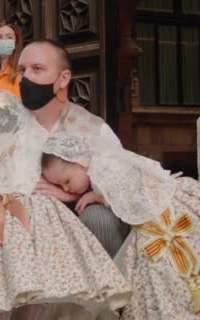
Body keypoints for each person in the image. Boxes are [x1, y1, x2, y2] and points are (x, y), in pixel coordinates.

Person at [41, 133, 200, 320]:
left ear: (78, 161)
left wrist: (99, 197)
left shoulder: (104, 165)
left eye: (66, 180)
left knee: (178, 269)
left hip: (166, 214)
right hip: (152, 222)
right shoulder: (97, 170)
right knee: (160, 276)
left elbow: (131, 189)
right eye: (62, 187)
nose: (67, 188)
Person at [0, 90, 131, 320]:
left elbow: (44, 177)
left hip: (31, 212)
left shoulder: (35, 145)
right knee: (7, 270)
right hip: (10, 212)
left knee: (41, 272)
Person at [17, 39, 130, 257]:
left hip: (80, 215)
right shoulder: (8, 126)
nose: (26, 77)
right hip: (24, 215)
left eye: (37, 69)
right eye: (22, 70)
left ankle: (106, 289)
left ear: (64, 78)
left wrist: (72, 196)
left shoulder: (93, 129)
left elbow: (123, 185)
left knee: (98, 218)